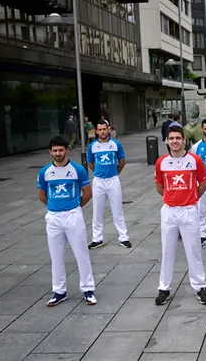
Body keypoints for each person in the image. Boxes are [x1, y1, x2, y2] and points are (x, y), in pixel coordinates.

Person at [154, 125, 206, 306]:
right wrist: (170, 198)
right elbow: (159, 186)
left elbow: (203, 183)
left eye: (178, 138)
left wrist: (192, 198)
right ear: (167, 141)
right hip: (169, 211)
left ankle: (200, 286)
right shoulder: (161, 162)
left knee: (193, 250)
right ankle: (164, 288)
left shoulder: (195, 160)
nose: (175, 141)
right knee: (167, 251)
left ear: (183, 140)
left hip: (189, 210)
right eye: (171, 139)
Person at [37, 136, 97, 306]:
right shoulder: (45, 172)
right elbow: (42, 195)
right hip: (54, 218)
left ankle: (88, 289)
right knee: (56, 256)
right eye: (55, 151)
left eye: (61, 150)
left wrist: (75, 207)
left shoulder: (78, 169)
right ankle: (59, 291)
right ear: (50, 152)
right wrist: (56, 207)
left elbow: (87, 193)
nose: (58, 153)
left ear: (67, 150)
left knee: (81, 253)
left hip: (73, 216)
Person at [87, 121, 131, 250]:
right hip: (99, 181)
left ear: (109, 129)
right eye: (100, 129)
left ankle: (123, 237)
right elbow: (90, 162)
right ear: (96, 131)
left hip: (113, 180)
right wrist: (97, 172)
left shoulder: (116, 144)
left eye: (104, 129)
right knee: (97, 210)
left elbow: (122, 161)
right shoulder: (92, 146)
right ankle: (97, 238)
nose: (102, 132)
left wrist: (115, 173)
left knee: (117, 210)